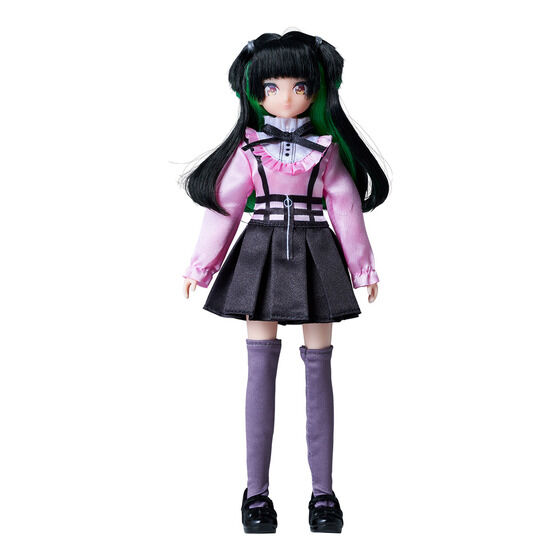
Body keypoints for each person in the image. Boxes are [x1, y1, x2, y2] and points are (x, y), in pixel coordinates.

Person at [181, 31, 389, 533]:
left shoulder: (325, 151)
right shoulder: (250, 151)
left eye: (300, 86)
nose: (287, 97)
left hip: (318, 255)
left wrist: (362, 268)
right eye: (272, 87)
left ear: (316, 91)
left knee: (319, 370)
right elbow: (225, 209)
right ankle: (256, 493)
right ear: (256, 92)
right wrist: (201, 267)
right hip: (259, 257)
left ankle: (323, 493)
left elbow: (346, 210)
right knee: (260, 372)